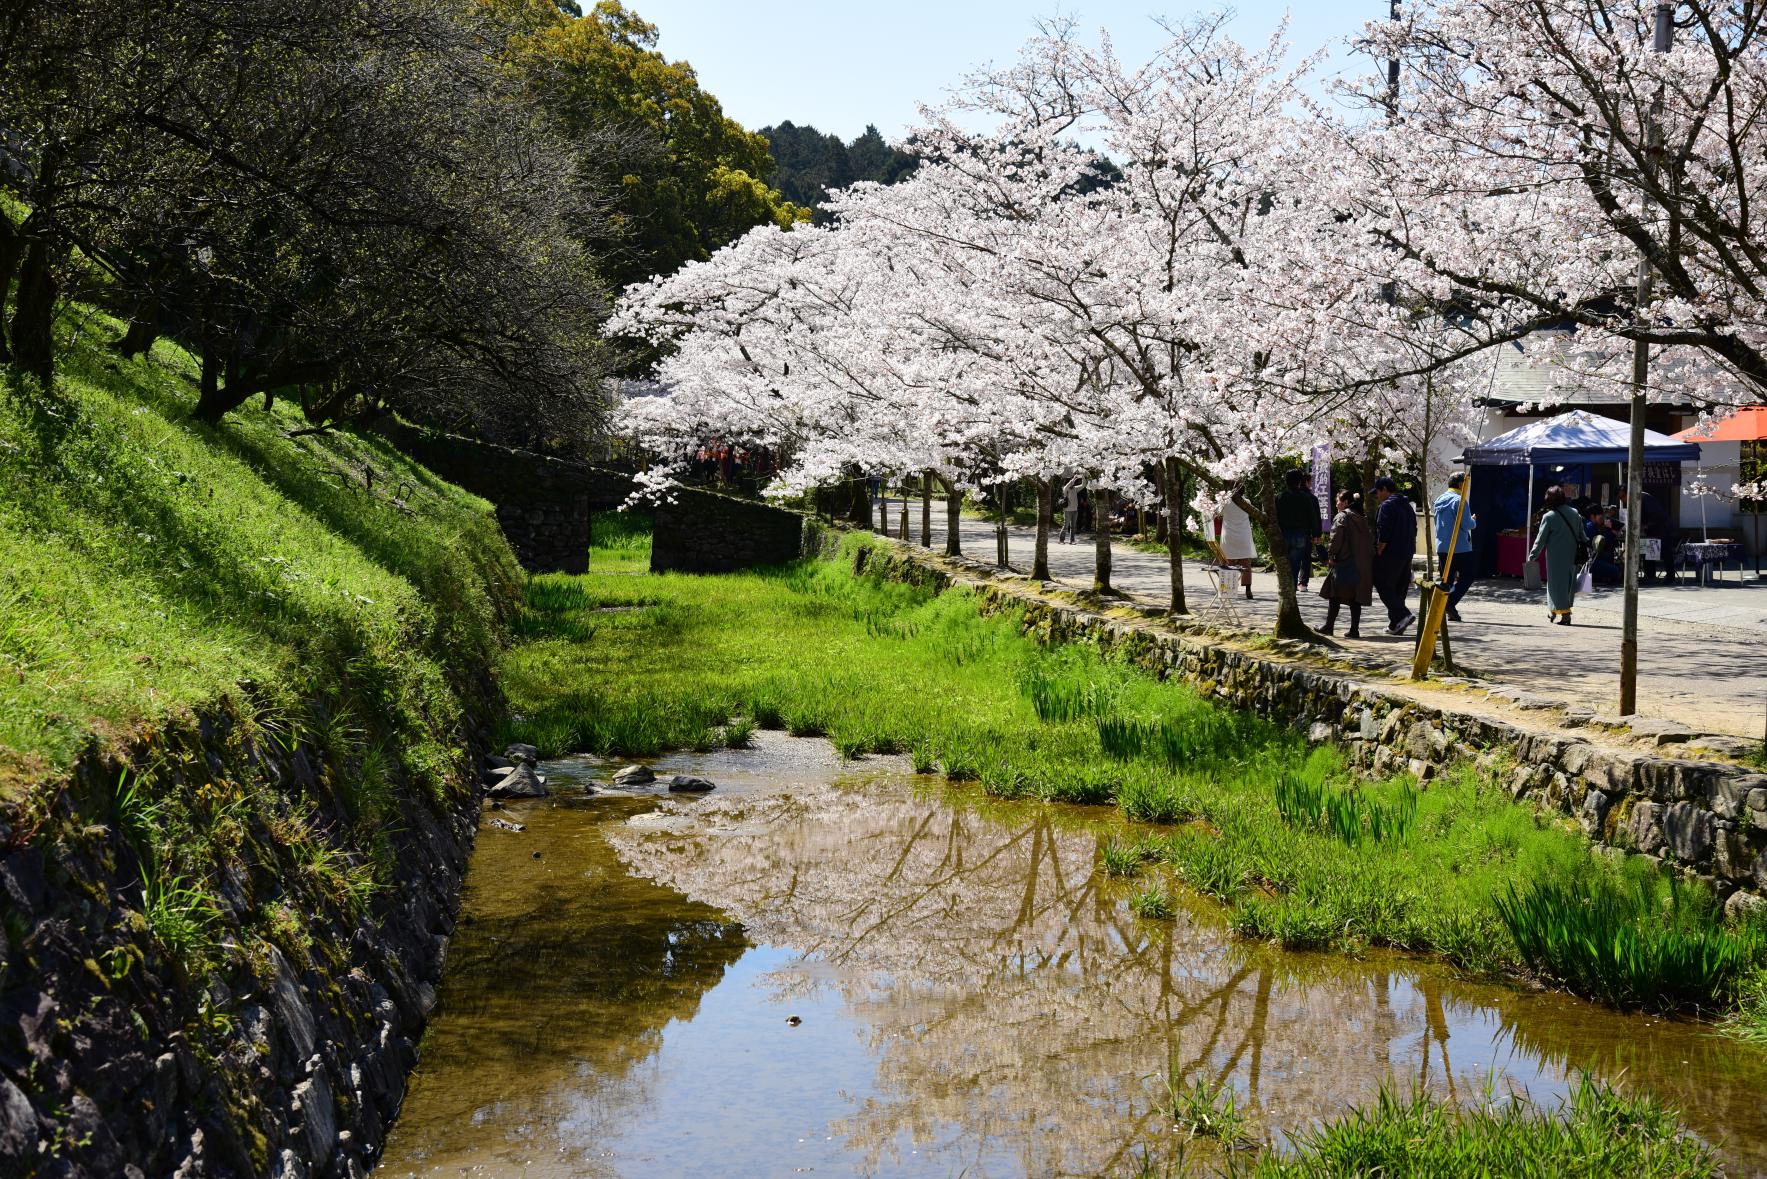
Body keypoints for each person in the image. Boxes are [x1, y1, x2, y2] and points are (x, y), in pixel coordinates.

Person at [1319, 489, 1374, 638]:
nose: (1336, 504)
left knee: (1334, 594)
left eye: (1338, 501)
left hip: (1344, 562)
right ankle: (1354, 630)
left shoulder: (1342, 517)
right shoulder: (1362, 517)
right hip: (1361, 564)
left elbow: (1335, 539)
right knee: (1355, 598)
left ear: (1346, 503)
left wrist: (1330, 555)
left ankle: (1329, 626)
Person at [1530, 486, 1585, 625]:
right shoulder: (1575, 513)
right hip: (1573, 555)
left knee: (1555, 585)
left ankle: (1565, 615)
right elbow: (1582, 536)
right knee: (1568, 585)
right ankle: (1554, 611)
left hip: (1555, 557)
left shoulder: (1549, 516)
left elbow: (1540, 539)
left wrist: (1532, 556)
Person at [1429, 472, 1478, 623]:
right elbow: (1467, 525)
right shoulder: (1460, 500)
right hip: (1460, 547)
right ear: (1461, 484)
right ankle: (1450, 603)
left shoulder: (1439, 499)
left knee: (1447, 580)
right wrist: (1473, 520)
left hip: (1442, 545)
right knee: (1468, 575)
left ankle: (1445, 608)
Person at [1372, 476, 1417, 635]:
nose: (1376, 496)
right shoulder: (1407, 506)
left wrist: (1379, 550)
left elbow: (1384, 532)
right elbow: (1415, 529)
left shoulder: (1387, 506)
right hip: (1408, 551)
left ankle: (1403, 614)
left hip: (1391, 552)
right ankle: (1395, 623)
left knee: (1381, 582)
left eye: (1377, 492)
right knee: (1399, 587)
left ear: (1384, 489)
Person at [1277, 468, 1324, 591]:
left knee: (1283, 565)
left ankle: (1284, 588)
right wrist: (1316, 534)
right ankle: (1292, 591)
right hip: (1300, 535)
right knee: (1295, 565)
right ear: (1299, 482)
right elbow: (1313, 517)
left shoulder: (1280, 497)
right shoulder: (1306, 497)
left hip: (1283, 534)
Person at [1619, 486, 1672, 582]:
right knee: (1647, 550)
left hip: (1660, 527)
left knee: (1664, 551)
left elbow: (1656, 515)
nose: (1622, 500)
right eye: (1620, 498)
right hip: (1650, 528)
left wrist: (1645, 526)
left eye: (1623, 497)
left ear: (1628, 493)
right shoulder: (1638, 498)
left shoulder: (1643, 498)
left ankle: (1670, 576)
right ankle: (1650, 575)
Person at [1214, 495, 1257, 600]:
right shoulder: (1247, 501)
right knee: (1246, 563)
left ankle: (1228, 590)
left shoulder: (1224, 502)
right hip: (1243, 534)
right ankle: (1248, 590)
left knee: (1229, 563)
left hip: (1229, 535)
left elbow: (1217, 514)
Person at [1585, 506, 1623, 585]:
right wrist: (1610, 531)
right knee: (1618, 571)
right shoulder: (1589, 527)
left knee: (1609, 558)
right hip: (1592, 562)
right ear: (1593, 516)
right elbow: (1603, 543)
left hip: (1595, 559)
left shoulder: (1591, 525)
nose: (1602, 517)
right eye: (1600, 515)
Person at [1059, 474, 1085, 544]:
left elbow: (1083, 485)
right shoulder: (1065, 489)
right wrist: (1073, 478)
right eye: (1071, 482)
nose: (1073, 483)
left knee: (1073, 527)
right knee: (1066, 526)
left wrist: (1083, 477)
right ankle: (1061, 540)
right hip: (1067, 511)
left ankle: (1072, 540)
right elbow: (1068, 485)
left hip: (1075, 510)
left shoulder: (1075, 489)